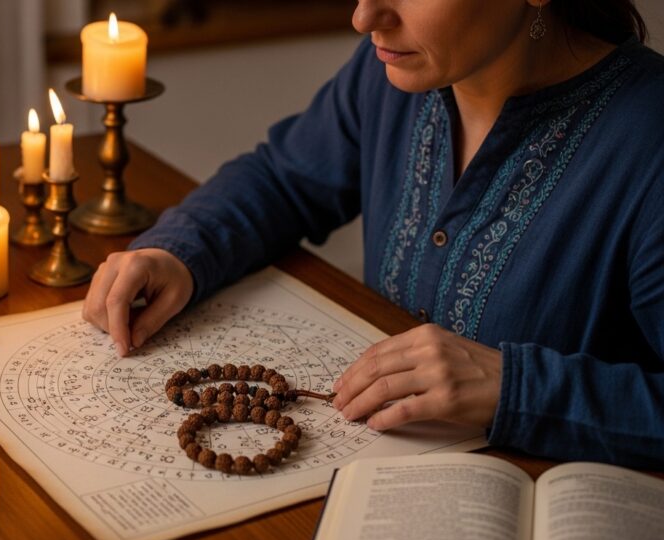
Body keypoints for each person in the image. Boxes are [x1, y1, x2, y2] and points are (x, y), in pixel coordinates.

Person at [82, 0, 664, 468]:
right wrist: (179, 251)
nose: (365, 17)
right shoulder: (390, 71)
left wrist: (518, 387)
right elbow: (284, 179)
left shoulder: (648, 143)